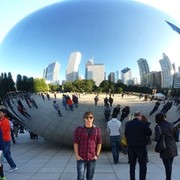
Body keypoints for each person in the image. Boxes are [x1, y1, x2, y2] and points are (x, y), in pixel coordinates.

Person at [73, 111, 102, 180]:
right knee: (80, 177)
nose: (89, 119)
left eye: (91, 117)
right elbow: (75, 143)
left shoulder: (97, 130)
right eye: (87, 117)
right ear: (84, 119)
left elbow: (99, 143)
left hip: (92, 158)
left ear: (93, 119)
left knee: (90, 177)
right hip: (81, 157)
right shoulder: (78, 129)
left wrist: (97, 155)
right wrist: (77, 155)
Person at [125, 111, 152, 180]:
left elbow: (126, 134)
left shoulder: (128, 124)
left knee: (132, 165)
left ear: (134, 116)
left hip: (131, 146)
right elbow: (149, 133)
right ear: (140, 116)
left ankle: (132, 178)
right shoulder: (143, 124)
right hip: (141, 147)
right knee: (142, 165)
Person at [155, 112, 178, 180]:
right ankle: (168, 178)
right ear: (164, 117)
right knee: (169, 164)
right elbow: (177, 137)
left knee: (167, 166)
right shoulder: (171, 125)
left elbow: (157, 138)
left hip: (164, 147)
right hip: (172, 147)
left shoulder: (158, 127)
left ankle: (168, 178)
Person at [0, 108, 17, 173]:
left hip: (4, 140)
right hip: (3, 140)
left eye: (0, 113)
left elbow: (2, 132)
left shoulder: (5, 121)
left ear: (4, 114)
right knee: (6, 155)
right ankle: (13, 166)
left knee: (1, 155)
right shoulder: (1, 120)